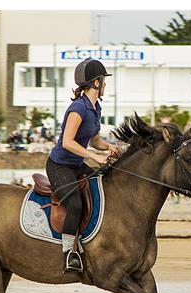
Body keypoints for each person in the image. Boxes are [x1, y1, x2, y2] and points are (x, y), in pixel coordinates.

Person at [46, 58, 120, 272]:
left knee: (103, 182)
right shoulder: (78, 108)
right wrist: (94, 157)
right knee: (75, 205)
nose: (105, 84)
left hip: (76, 164)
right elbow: (68, 142)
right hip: (59, 166)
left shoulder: (95, 107)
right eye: (103, 81)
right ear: (96, 83)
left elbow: (94, 139)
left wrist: (108, 147)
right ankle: (69, 253)